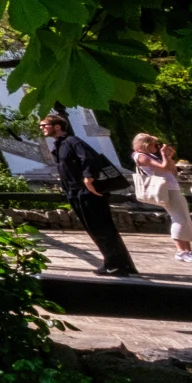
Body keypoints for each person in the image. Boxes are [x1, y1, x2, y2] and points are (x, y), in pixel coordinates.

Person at [44, 111, 138, 276]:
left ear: (57, 127)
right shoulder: (59, 146)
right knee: (96, 228)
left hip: (85, 192)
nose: (42, 128)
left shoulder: (72, 141)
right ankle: (122, 263)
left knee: (101, 228)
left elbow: (88, 158)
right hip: (74, 192)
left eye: (45, 125)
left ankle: (115, 264)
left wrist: (88, 178)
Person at [141, 139, 192, 264]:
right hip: (165, 190)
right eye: (155, 144)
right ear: (145, 144)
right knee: (179, 219)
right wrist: (163, 155)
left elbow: (172, 170)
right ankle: (181, 251)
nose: (157, 147)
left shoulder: (152, 156)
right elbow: (164, 167)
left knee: (184, 218)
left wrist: (168, 156)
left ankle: (187, 250)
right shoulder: (140, 156)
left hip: (173, 188)